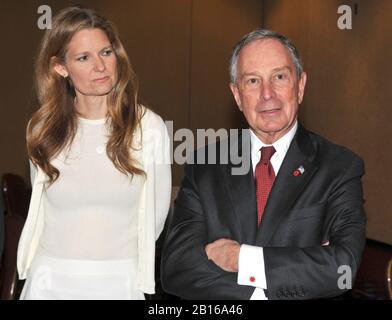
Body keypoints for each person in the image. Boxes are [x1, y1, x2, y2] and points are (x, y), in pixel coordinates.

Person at [161, 29, 366, 300]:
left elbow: (342, 269)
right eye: (253, 81)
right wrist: (273, 285)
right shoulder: (205, 166)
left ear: (300, 86)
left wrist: (240, 259)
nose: (267, 94)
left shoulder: (339, 167)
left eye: (279, 77)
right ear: (237, 95)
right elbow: (177, 269)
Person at [17, 6, 171, 300]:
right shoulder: (42, 129)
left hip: (120, 283)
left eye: (106, 52)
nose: (100, 67)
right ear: (61, 67)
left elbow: (155, 219)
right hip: (49, 282)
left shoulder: (148, 128)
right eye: (83, 58)